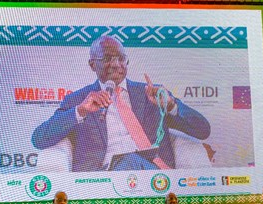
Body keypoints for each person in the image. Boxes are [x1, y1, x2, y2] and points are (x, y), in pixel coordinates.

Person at [32, 35, 211, 172]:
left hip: (154, 174)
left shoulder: (151, 94)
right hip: (102, 178)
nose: (116, 64)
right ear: (92, 64)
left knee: (132, 162)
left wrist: (171, 106)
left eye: (121, 58)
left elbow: (203, 131)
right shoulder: (78, 100)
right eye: (107, 58)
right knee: (129, 162)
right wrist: (80, 111)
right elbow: (39, 139)